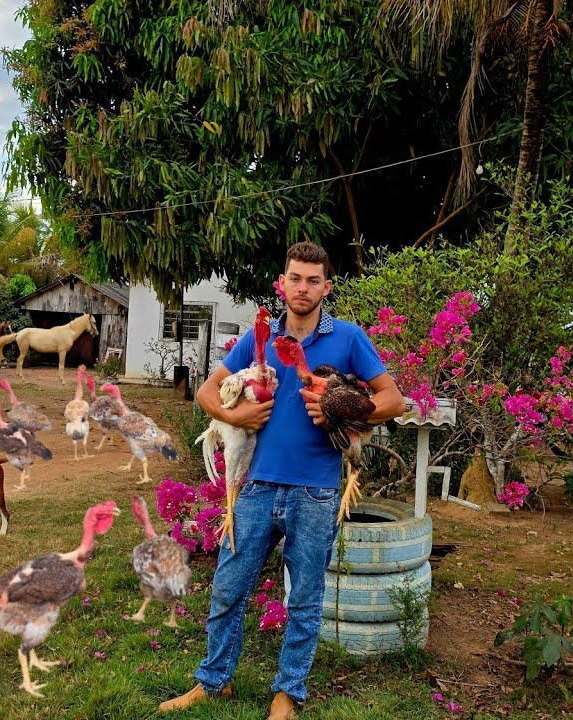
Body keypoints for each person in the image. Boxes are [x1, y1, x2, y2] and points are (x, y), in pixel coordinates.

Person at [158, 242, 405, 720]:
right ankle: (213, 682)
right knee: (229, 586)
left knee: (305, 598)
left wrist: (342, 405)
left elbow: (394, 399)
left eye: (314, 280)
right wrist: (243, 413)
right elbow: (208, 392)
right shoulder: (262, 338)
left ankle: (287, 694)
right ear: (283, 282)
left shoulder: (349, 339)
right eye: (295, 278)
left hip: (316, 491)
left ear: (326, 287)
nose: (303, 288)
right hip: (257, 486)